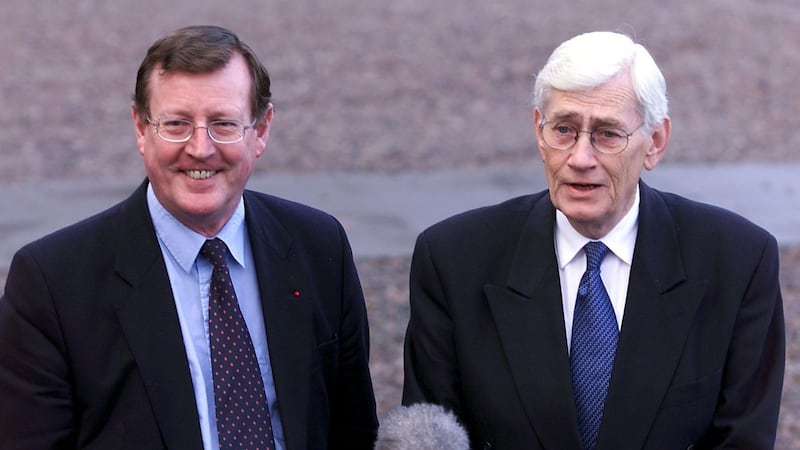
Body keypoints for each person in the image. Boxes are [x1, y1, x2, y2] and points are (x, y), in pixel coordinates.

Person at [0, 25, 378, 449]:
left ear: (262, 129)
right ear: (141, 129)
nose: (200, 148)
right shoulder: (54, 284)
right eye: (177, 124)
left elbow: (354, 431)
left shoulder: (319, 248)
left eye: (223, 123)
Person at [402, 31, 784, 449]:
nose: (580, 159)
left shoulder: (737, 262)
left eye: (607, 134)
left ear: (654, 142)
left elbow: (743, 439)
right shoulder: (454, 260)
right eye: (564, 129)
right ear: (538, 130)